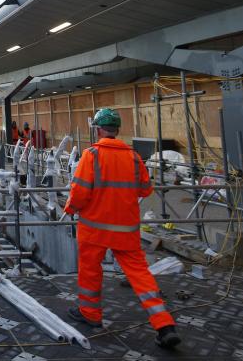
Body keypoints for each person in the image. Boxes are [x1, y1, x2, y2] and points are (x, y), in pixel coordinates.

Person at [64, 109, 181, 349]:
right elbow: (145, 190)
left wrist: (71, 208)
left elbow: (80, 191)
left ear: (97, 130)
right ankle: (164, 324)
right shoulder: (134, 157)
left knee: (90, 271)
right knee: (140, 274)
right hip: (125, 229)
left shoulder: (92, 155)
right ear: (117, 130)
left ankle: (91, 314)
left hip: (94, 228)